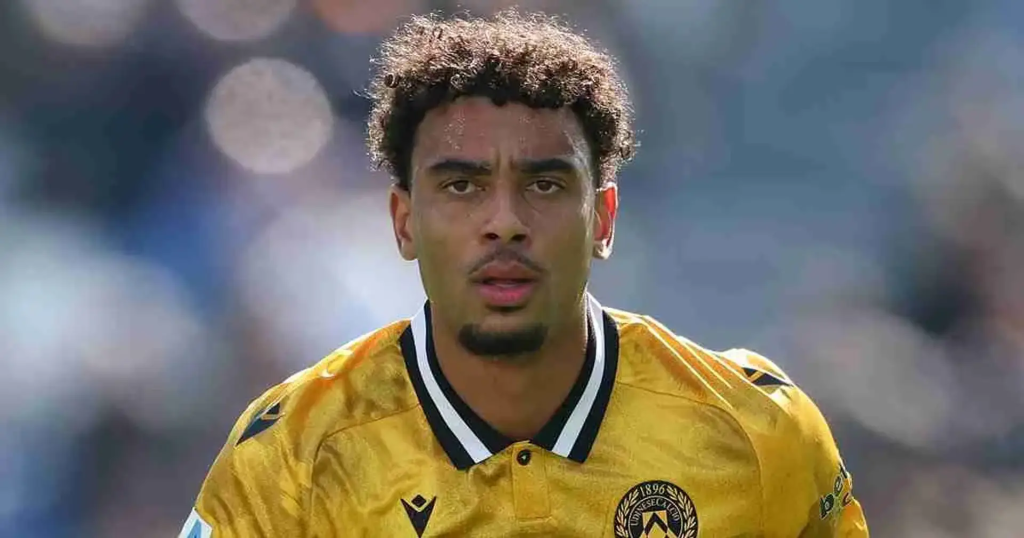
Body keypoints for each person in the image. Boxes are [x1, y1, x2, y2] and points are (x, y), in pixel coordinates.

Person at [180, 9, 869, 537]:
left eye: (544, 185)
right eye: (462, 186)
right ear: (404, 222)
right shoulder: (291, 458)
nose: (504, 223)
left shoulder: (756, 431)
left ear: (603, 219)